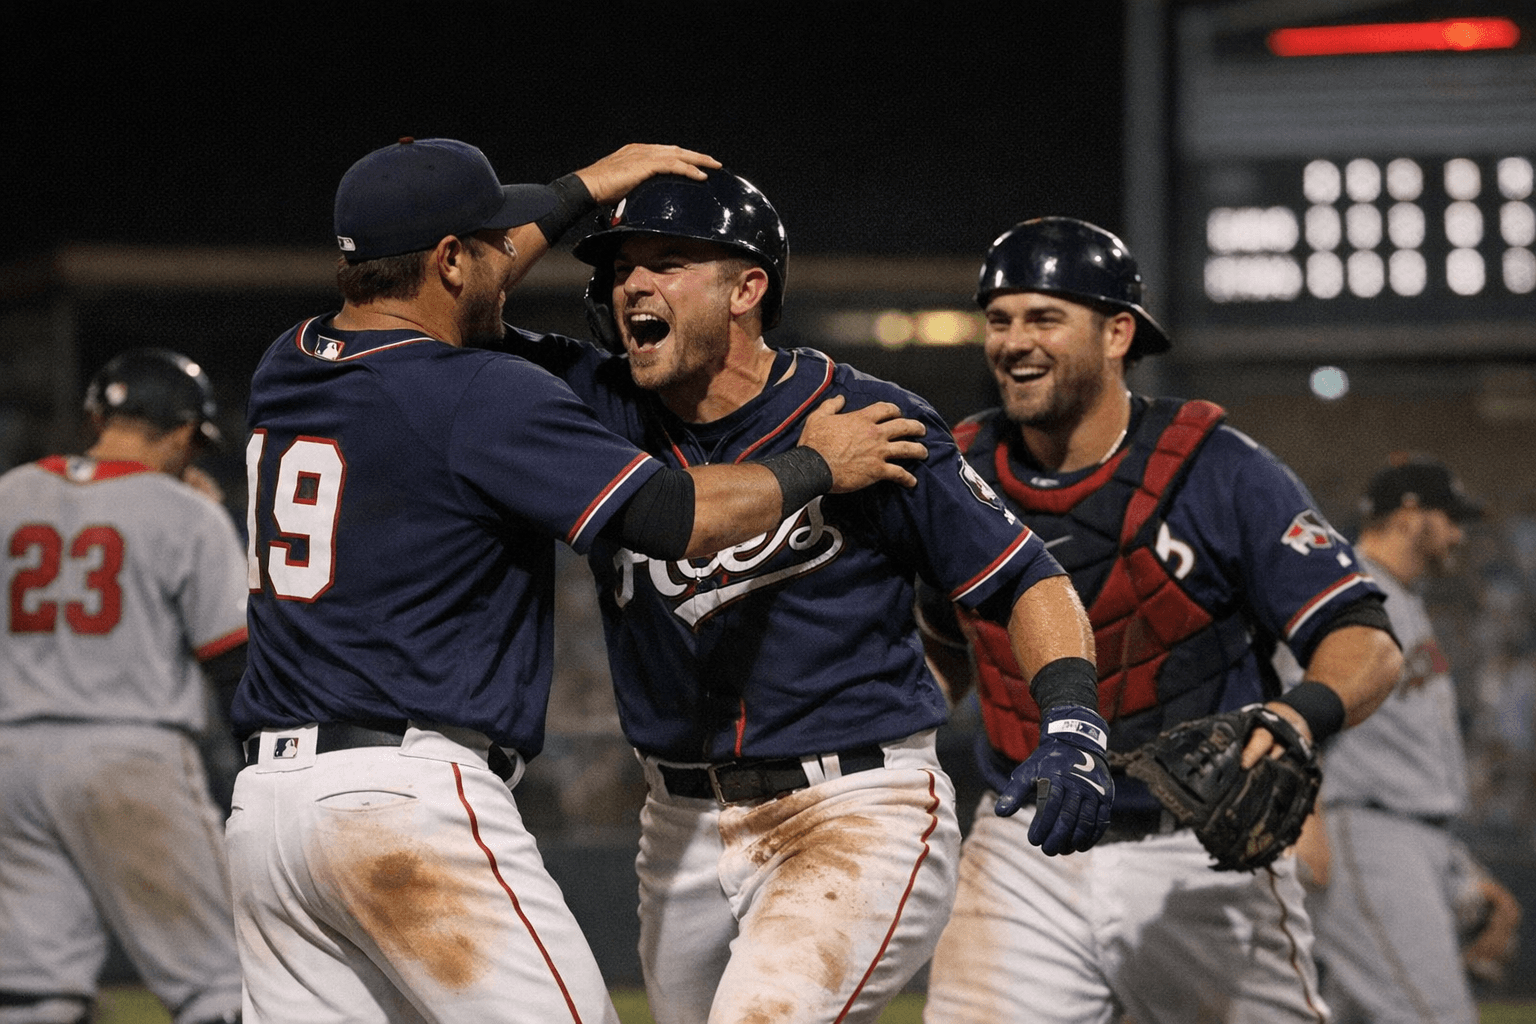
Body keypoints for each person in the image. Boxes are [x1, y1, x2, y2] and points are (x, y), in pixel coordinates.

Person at [227, 137, 930, 1024]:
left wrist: (582, 188)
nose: (514, 256)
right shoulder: (477, 390)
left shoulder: (288, 361)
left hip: (267, 818)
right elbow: (672, 514)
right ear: (450, 260)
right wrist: (816, 465)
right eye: (494, 241)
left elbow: (441, 282)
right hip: (401, 801)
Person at [501, 169, 1107, 1024]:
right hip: (677, 821)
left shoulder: (868, 416)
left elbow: (1026, 577)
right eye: (620, 267)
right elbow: (446, 303)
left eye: (667, 262)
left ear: (747, 288)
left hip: (854, 808)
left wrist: (1073, 718)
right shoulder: (596, 404)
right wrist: (580, 189)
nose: (631, 284)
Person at [917, 217, 1406, 1024]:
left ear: (1118, 333)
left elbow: (1365, 639)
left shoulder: (1218, 468)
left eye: (1044, 318)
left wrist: (1297, 717)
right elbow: (941, 641)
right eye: (999, 320)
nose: (1014, 341)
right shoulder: (957, 473)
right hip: (1023, 843)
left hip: (1198, 847)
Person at [0, 349, 247, 1024]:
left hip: (11, 761)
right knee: (220, 982)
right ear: (183, 433)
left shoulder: (10, 493)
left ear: (95, 418)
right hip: (128, 756)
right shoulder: (187, 512)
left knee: (31, 991)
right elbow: (232, 660)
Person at [1299, 455, 1521, 1023]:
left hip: (1413, 835)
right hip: (1367, 831)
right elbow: (1295, 698)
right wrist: (1307, 817)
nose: (1458, 535)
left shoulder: (1402, 599)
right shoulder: (1347, 588)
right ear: (1409, 516)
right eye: (1450, 519)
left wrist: (1460, 870)